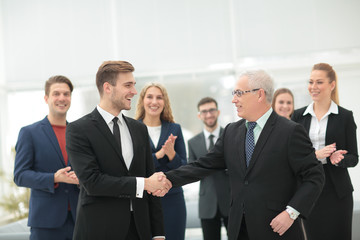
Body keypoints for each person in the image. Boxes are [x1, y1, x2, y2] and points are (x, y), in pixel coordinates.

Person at [155, 69, 325, 240]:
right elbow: (203, 164)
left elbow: (315, 176)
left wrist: (291, 213)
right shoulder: (231, 132)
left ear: (259, 95)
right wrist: (169, 179)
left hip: (276, 229)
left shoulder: (290, 132)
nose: (233, 99)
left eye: (239, 93)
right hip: (239, 229)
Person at [66, 61, 170, 240]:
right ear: (108, 87)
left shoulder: (139, 129)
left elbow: (149, 176)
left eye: (134, 85)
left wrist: (158, 233)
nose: (134, 92)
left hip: (140, 230)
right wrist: (143, 184)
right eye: (128, 85)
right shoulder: (79, 130)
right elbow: (92, 182)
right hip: (99, 230)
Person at [292, 63, 358, 240]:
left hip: (338, 192)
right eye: (311, 82)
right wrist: (316, 155)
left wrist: (339, 159)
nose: (313, 87)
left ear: (332, 85)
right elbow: (293, 158)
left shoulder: (345, 116)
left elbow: (354, 157)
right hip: (310, 190)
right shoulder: (297, 117)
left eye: (319, 82)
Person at [14, 75, 79, 240]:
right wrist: (54, 178)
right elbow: (20, 176)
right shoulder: (29, 133)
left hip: (80, 220)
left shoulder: (80, 134)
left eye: (66, 94)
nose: (62, 98)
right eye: (56, 94)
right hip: (45, 222)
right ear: (46, 98)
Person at [135, 82, 187, 240]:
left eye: (159, 97)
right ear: (142, 101)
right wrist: (159, 155)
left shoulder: (174, 129)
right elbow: (133, 166)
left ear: (165, 102)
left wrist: (171, 155)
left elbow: (184, 168)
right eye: (149, 97)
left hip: (172, 199)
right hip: (144, 200)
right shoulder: (133, 128)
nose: (154, 101)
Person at [187, 97, 230, 240]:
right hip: (207, 203)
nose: (209, 114)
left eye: (212, 110)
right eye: (204, 111)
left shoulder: (230, 135)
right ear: (199, 115)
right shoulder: (192, 142)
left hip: (231, 200)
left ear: (218, 112)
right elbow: (192, 169)